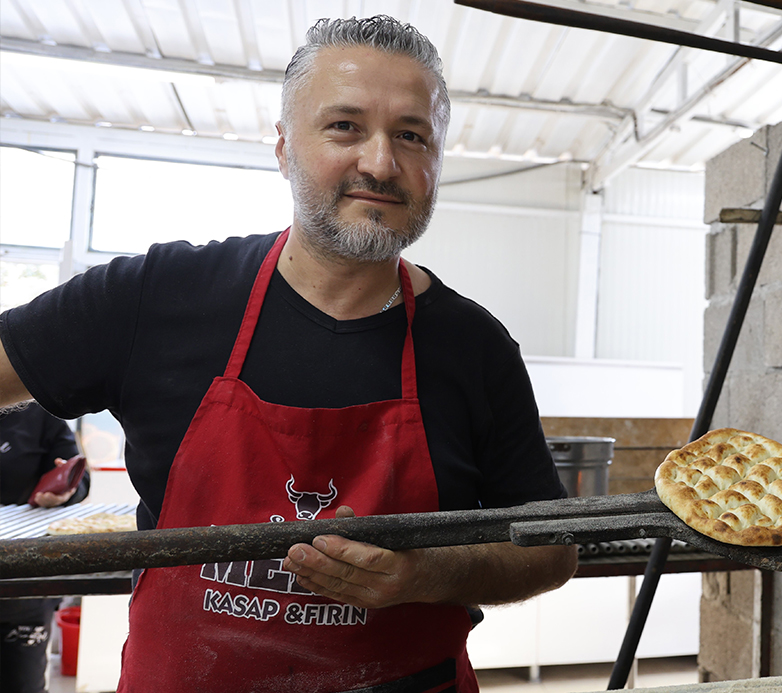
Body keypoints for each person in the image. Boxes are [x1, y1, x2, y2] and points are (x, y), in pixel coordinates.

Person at [0, 15, 577, 693]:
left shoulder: (475, 347)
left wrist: (428, 572)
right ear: (282, 147)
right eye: (345, 127)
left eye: (412, 135)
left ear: (437, 161)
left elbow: (550, 546)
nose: (381, 162)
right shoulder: (157, 296)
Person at [0, 405, 89, 693]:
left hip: (24, 583)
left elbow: (79, 476)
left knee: (21, 682)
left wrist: (64, 491)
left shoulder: (37, 410)